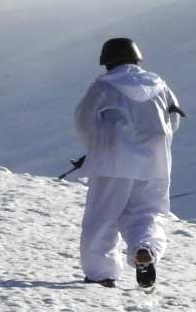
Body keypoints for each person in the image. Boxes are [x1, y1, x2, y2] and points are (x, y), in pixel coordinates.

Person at [74, 37, 183, 288]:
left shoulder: (103, 86)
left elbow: (84, 123)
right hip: (155, 160)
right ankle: (145, 247)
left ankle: (101, 273)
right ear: (137, 59)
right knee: (148, 210)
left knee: (103, 215)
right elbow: (173, 120)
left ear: (107, 62)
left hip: (112, 161)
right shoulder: (159, 84)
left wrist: (95, 148)